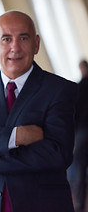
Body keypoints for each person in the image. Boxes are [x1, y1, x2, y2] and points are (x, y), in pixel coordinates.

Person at [0, 10, 77, 212]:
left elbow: (58, 154)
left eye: (23, 38)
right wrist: (17, 136)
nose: (15, 47)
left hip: (43, 205)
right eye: (6, 39)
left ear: (36, 44)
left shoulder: (60, 90)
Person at [69, 59, 88, 212]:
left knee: (79, 169)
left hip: (82, 130)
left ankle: (79, 204)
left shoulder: (79, 87)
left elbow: (73, 112)